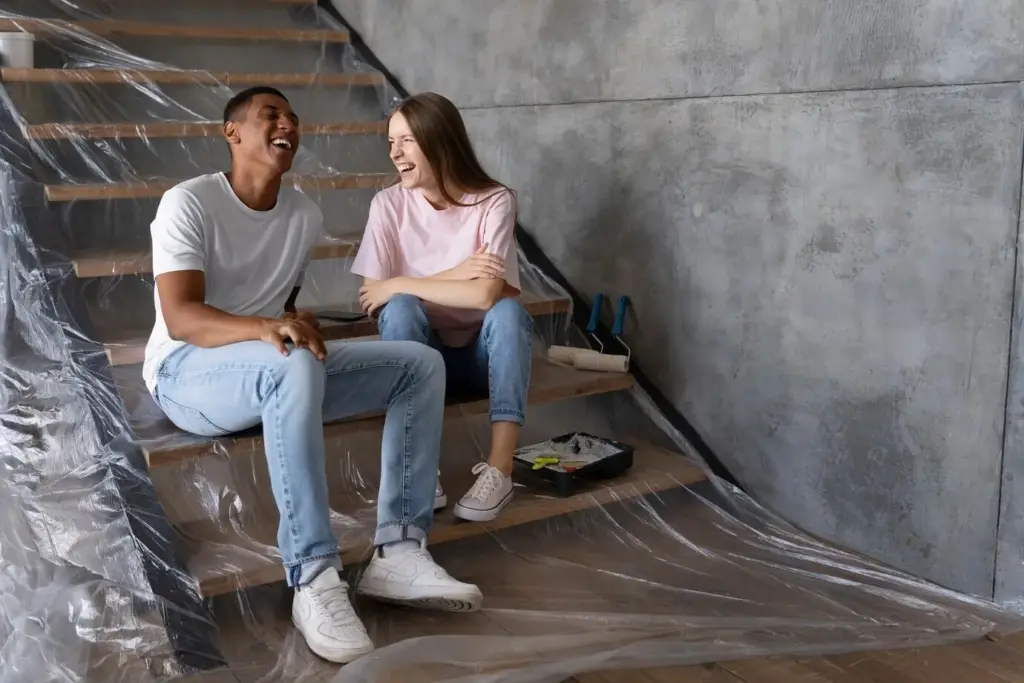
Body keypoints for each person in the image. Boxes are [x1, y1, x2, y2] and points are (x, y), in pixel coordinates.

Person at [142, 86, 482, 665]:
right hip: (186, 374)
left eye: (294, 118)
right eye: (271, 115)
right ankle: (313, 574)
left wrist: (296, 322)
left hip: (272, 365)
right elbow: (182, 318)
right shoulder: (188, 203)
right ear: (232, 132)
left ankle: (400, 551)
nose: (288, 125)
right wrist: (268, 329)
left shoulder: (303, 214)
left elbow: (283, 307)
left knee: (419, 365)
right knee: (290, 361)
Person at [351, 92, 533, 524]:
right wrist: (455, 273)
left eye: (406, 141)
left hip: (481, 357)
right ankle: (418, 470)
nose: (394, 153)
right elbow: (372, 296)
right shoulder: (388, 204)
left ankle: (500, 470)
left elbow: (485, 296)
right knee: (400, 310)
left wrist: (399, 282)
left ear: (440, 140)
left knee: (509, 314)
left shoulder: (495, 200)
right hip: (420, 356)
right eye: (391, 142)